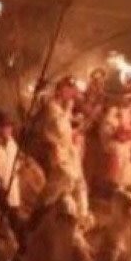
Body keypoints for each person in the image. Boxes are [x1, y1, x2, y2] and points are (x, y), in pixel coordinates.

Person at [38, 78, 90, 218]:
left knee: (79, 182)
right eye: (68, 89)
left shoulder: (63, 107)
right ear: (60, 90)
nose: (71, 92)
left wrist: (77, 129)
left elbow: (66, 131)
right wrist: (68, 110)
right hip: (57, 152)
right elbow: (58, 129)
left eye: (72, 89)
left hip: (69, 151)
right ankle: (42, 213)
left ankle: (82, 215)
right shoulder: (52, 107)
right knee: (61, 183)